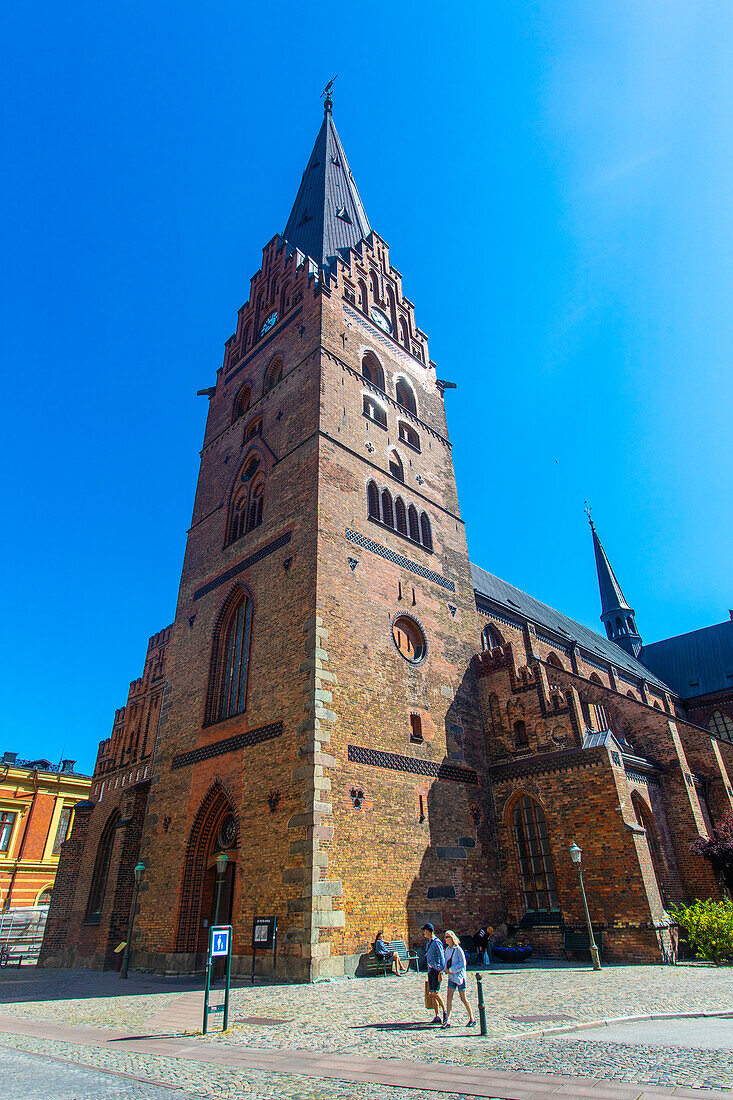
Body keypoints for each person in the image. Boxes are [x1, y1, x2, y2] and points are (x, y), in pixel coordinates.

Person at [443, 929, 475, 1028]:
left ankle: (472, 1018)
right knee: (449, 997)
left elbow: (462, 963)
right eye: (445, 937)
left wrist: (452, 969)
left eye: (447, 937)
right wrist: (445, 969)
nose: (445, 939)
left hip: (460, 977)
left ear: (452, 938)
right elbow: (446, 961)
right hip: (451, 977)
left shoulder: (458, 949)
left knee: (463, 998)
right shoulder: (447, 950)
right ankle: (448, 1020)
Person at [421, 922, 447, 1025]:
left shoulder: (437, 942)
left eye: (425, 931)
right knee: (432, 994)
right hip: (430, 970)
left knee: (435, 992)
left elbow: (442, 957)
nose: (424, 933)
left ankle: (445, 1011)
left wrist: (441, 971)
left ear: (429, 932)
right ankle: (437, 1016)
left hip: (436, 970)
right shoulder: (428, 942)